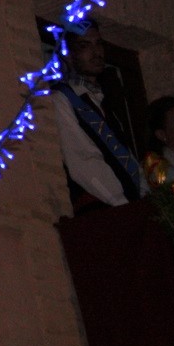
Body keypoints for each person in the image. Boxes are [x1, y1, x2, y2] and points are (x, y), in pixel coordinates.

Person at [47, 23, 146, 213]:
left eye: (99, 44)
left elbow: (126, 156)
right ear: (67, 54)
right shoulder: (61, 99)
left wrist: (144, 196)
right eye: (85, 46)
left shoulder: (104, 101)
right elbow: (82, 161)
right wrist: (122, 203)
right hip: (101, 211)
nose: (96, 52)